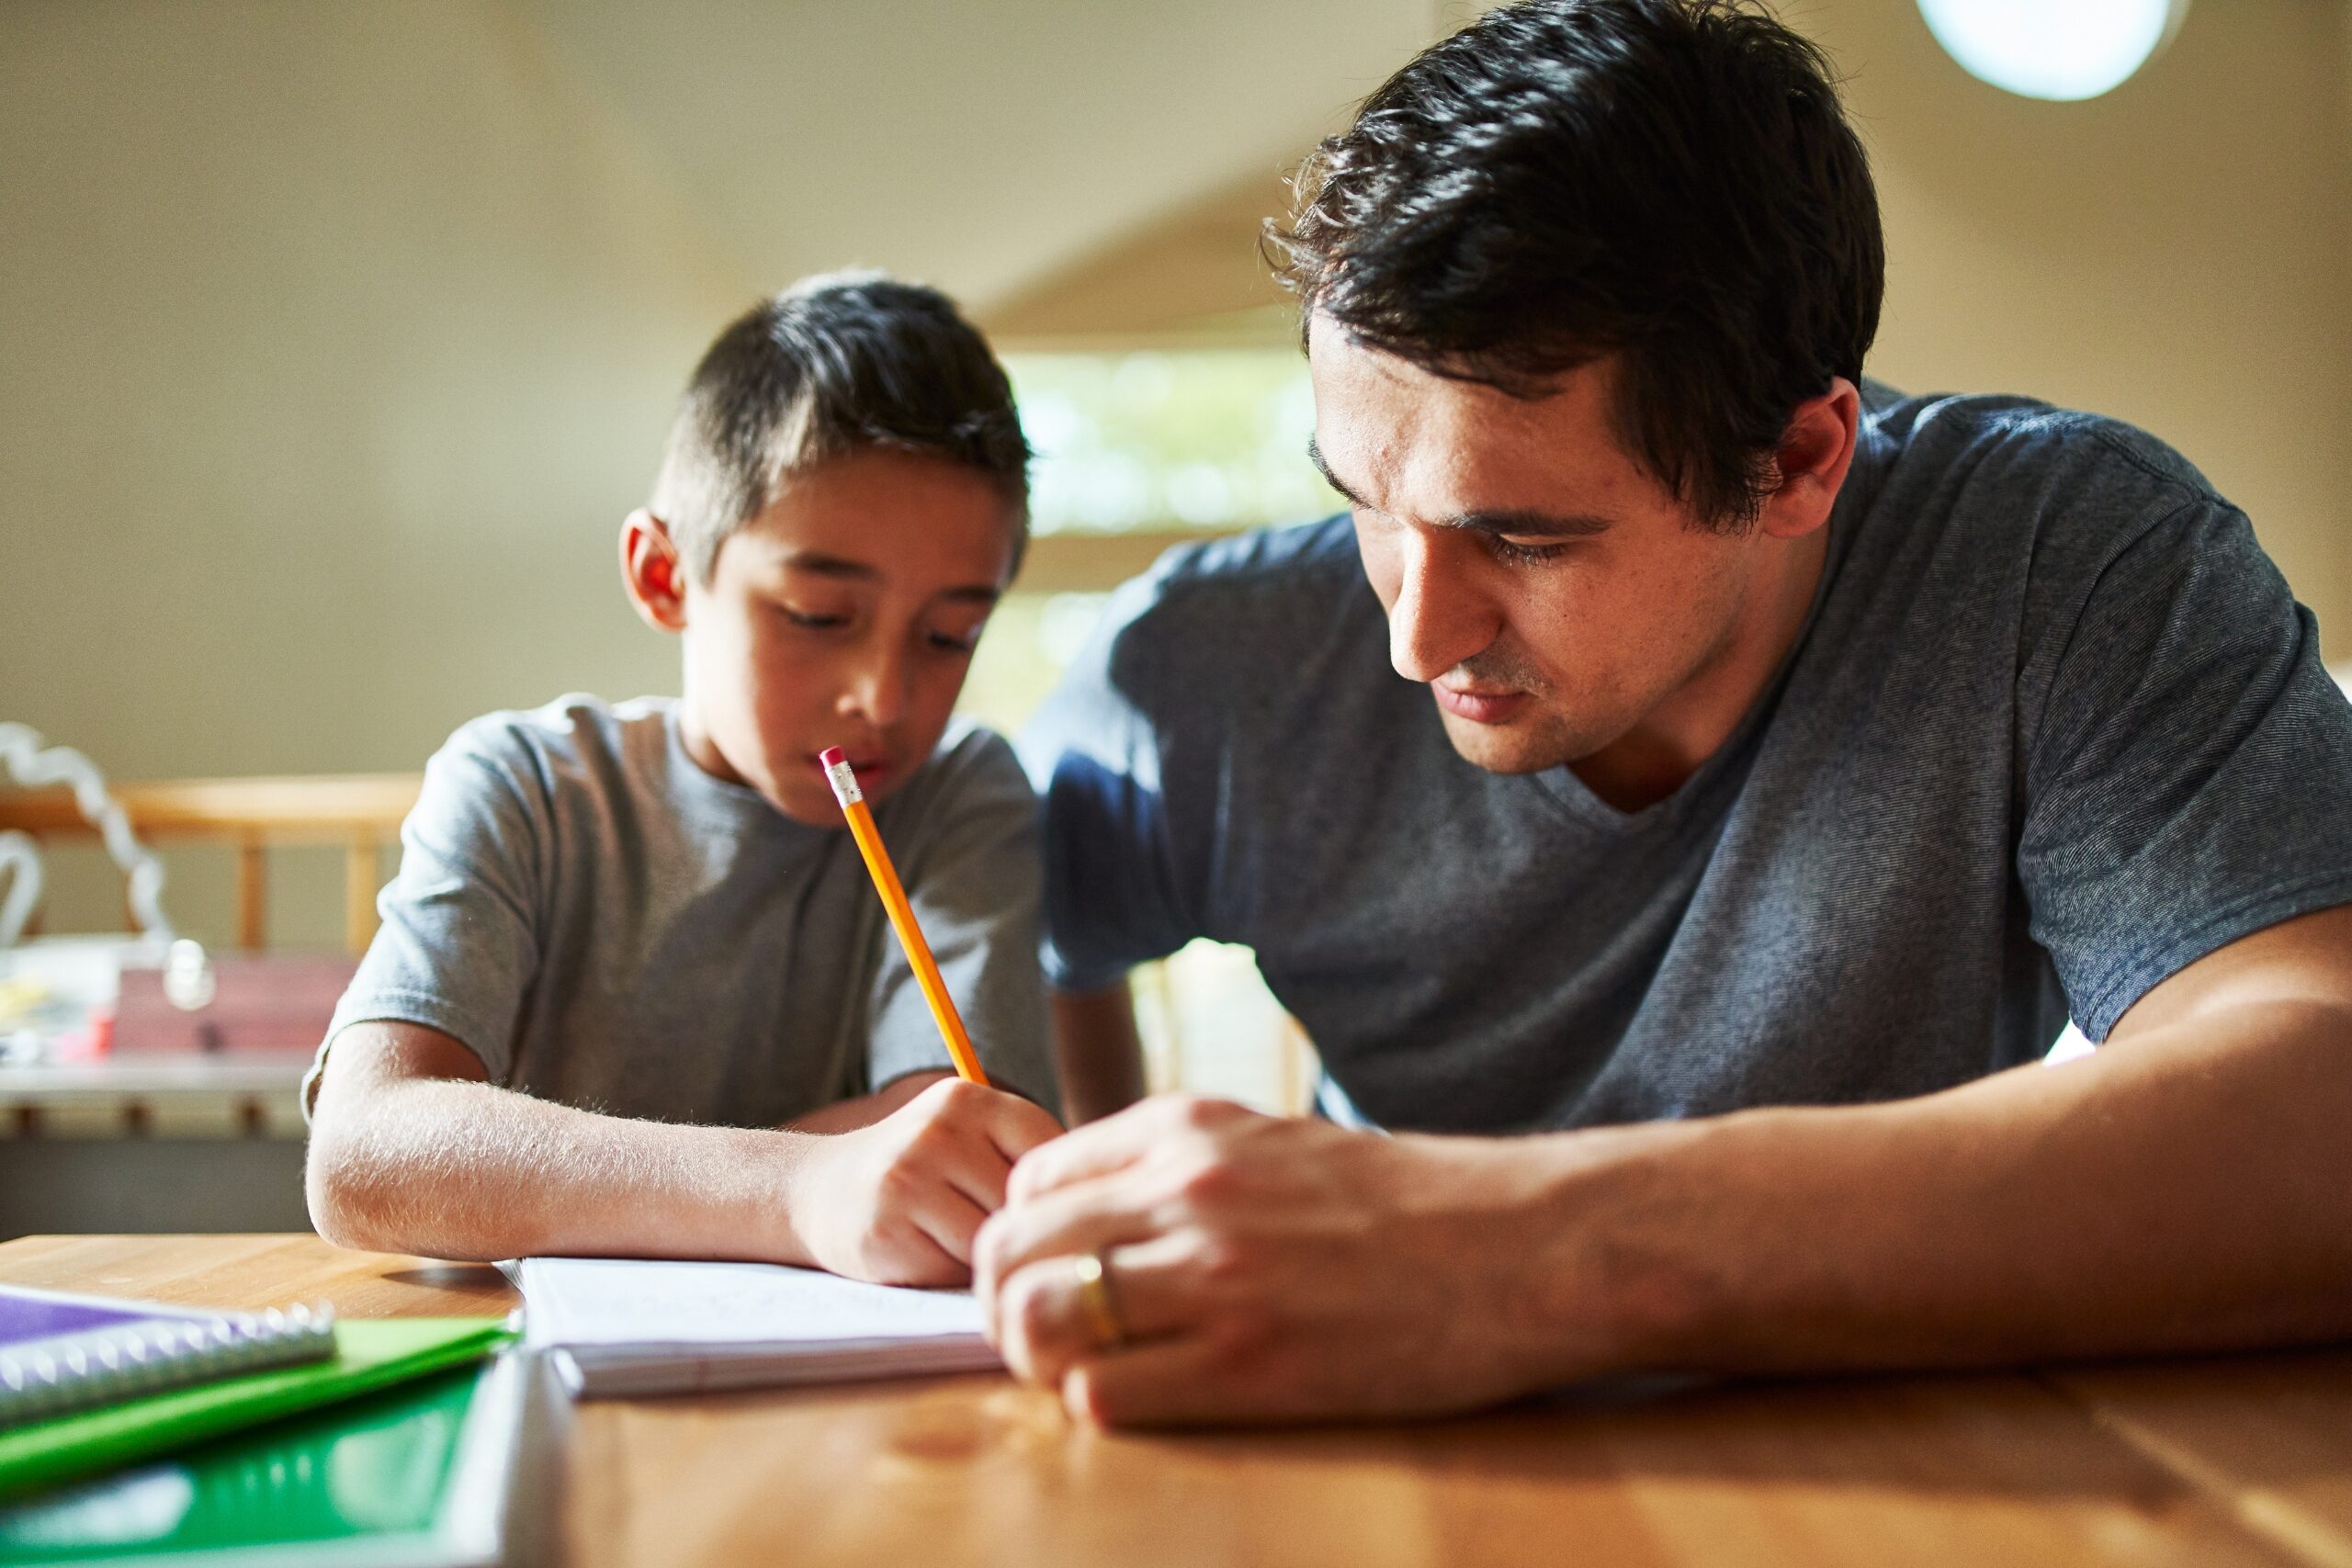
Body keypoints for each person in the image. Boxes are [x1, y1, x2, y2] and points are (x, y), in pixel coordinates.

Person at [978, 0, 2352, 1425]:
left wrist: (1502, 1254)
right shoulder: (1202, 666)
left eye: (1522, 537)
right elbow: (947, 957)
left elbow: (2326, 1097)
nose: (1415, 635)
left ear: (1801, 460)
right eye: (1363, 504)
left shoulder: (2066, 562)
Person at [305, 274, 1062, 1286]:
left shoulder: (958, 795)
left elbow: (953, 1150)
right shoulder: (527, 789)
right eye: (818, 616)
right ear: (665, 576)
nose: (883, 698)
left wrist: (556, 1186)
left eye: (950, 634)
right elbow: (365, 1153)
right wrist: (796, 1190)